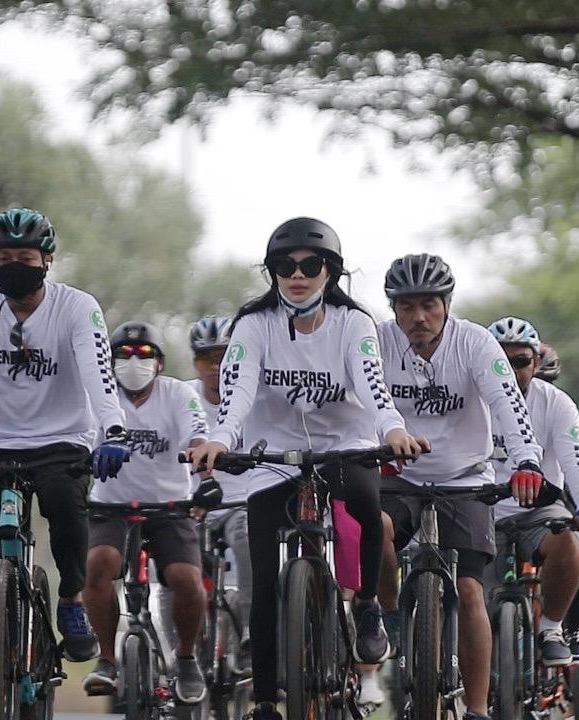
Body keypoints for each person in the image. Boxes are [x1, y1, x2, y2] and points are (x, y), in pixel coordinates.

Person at [185, 218, 425, 720]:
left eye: (310, 265)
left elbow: (374, 390)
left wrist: (394, 431)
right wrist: (219, 439)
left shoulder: (354, 323)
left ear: (329, 272)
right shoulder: (252, 325)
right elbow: (236, 396)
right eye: (284, 265)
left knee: (366, 507)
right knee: (264, 575)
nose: (297, 275)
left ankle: (366, 607)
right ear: (271, 271)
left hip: (345, 445)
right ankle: (268, 699)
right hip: (274, 454)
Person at [0, 208, 130, 720]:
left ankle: (71, 598)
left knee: (66, 504)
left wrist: (111, 430)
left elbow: (98, 373)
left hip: (61, 439)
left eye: (24, 258)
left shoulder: (76, 308)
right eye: (3, 259)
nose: (13, 267)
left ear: (47, 259)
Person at [375, 255, 547, 720]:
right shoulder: (377, 341)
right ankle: (387, 612)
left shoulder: (476, 344)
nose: (418, 317)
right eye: (405, 306)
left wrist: (527, 460)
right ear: (393, 309)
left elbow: (508, 404)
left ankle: (475, 709)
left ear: (447, 304)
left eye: (428, 304)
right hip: (399, 477)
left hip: (466, 480)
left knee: (471, 591)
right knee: (375, 527)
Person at [82, 321, 219, 703]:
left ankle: (187, 658)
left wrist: (205, 477)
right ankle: (106, 660)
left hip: (169, 507)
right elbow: (80, 437)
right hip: (110, 507)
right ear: (110, 362)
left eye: (144, 355)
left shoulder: (177, 394)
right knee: (98, 564)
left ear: (159, 363)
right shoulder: (101, 398)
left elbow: (198, 437)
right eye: (124, 355)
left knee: (186, 579)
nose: (133, 361)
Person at [484, 318, 579, 668]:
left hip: (538, 510)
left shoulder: (557, 403)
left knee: (569, 539)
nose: (511, 370)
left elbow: (577, 458)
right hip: (481, 510)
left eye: (521, 361)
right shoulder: (470, 399)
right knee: (466, 598)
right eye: (500, 362)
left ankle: (552, 628)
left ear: (536, 363)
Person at [186, 314, 253, 663]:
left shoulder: (253, 397)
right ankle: (180, 652)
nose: (215, 367)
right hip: (197, 505)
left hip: (242, 501)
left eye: (224, 357)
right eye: (205, 359)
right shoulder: (183, 396)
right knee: (178, 561)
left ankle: (250, 631)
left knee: (247, 535)